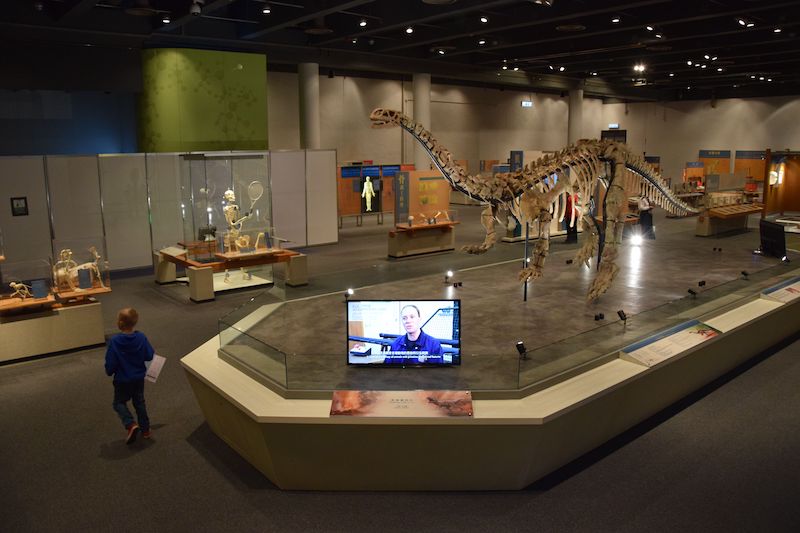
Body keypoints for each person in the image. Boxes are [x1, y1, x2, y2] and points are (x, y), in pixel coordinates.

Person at [105, 308, 155, 444]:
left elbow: (111, 364)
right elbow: (150, 355)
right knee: (139, 402)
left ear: (120, 322)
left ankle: (130, 424)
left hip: (122, 379)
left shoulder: (114, 341)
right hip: (138, 378)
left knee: (118, 403)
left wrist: (109, 371)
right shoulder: (141, 337)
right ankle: (145, 430)